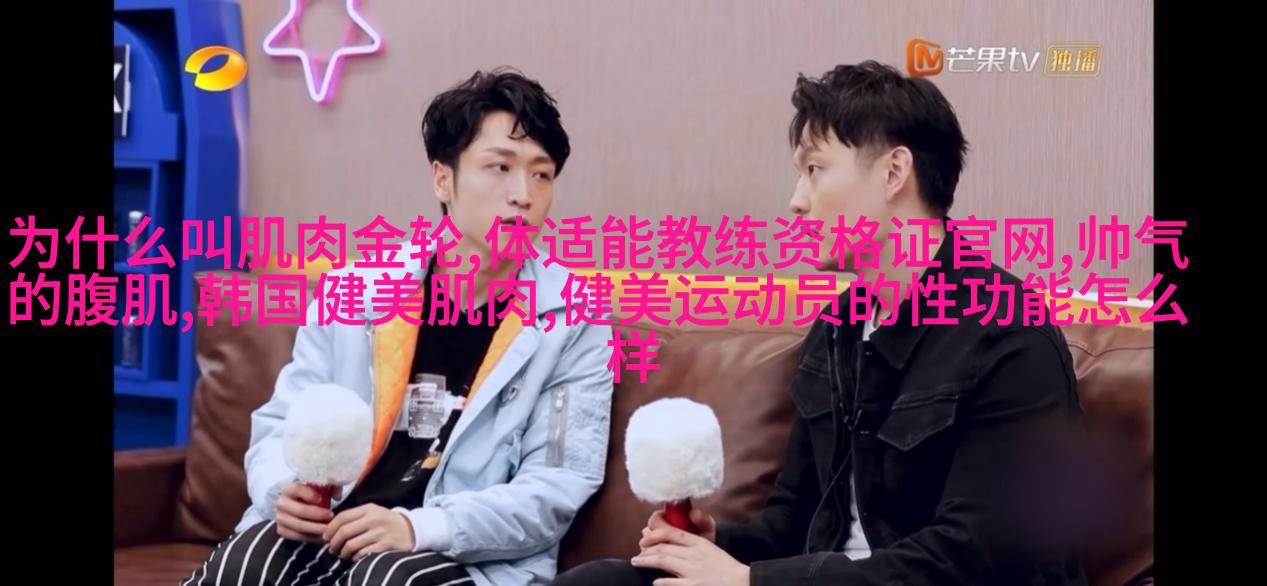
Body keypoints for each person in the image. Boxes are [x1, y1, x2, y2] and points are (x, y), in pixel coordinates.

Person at [554, 60, 1088, 585]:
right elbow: (793, 522)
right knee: (602, 581)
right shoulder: (840, 327)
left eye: (814, 169)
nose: (796, 202)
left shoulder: (1009, 335)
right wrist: (719, 547)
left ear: (893, 172)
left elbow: (974, 554)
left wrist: (751, 582)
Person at [184, 68, 614, 586]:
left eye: (541, 175)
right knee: (249, 557)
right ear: (443, 179)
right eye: (500, 167)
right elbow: (284, 421)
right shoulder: (354, 290)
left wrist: (418, 527)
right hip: (333, 528)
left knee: (387, 577)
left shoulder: (575, 319)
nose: (523, 194)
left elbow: (556, 486)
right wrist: (283, 489)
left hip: (458, 554)